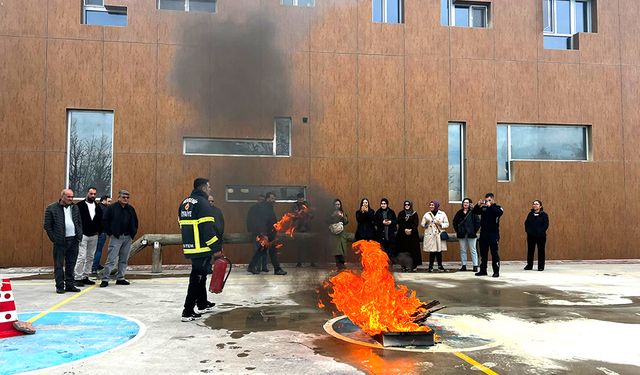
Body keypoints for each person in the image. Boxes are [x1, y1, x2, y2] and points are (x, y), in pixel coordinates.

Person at [178, 178, 222, 322]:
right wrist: (216, 248)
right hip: (201, 248)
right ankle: (188, 311)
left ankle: (202, 303)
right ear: (203, 188)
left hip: (190, 246)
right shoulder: (203, 204)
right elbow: (207, 229)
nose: (210, 189)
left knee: (201, 276)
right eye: (209, 187)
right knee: (196, 279)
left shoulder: (185, 202)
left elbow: (181, 224)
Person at [43, 189, 82, 294]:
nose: (71, 199)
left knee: (71, 264)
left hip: (74, 240)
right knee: (59, 265)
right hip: (60, 241)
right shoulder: (51, 208)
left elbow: (79, 222)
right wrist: (54, 238)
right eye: (69, 197)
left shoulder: (75, 208)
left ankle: (70, 285)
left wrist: (79, 234)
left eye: (72, 197)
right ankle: (60, 286)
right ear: (62, 197)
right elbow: (47, 225)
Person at [100, 190, 138, 287]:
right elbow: (105, 221)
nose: (125, 199)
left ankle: (120, 277)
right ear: (119, 197)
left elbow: (135, 221)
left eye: (127, 198)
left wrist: (133, 233)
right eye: (123, 197)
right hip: (116, 237)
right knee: (111, 259)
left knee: (124, 259)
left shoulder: (130, 209)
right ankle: (105, 279)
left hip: (128, 237)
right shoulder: (112, 208)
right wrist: (110, 233)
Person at [246, 192, 287, 276]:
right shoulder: (263, 207)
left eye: (274, 198)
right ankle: (276, 269)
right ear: (267, 198)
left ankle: (276, 269)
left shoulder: (268, 207)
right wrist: (263, 234)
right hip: (265, 234)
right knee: (266, 251)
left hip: (269, 233)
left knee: (266, 251)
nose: (273, 200)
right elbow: (261, 222)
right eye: (272, 198)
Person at [74, 187, 103, 286]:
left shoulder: (97, 207)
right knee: (81, 257)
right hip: (83, 235)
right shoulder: (79, 206)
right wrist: (78, 233)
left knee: (90, 257)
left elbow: (100, 220)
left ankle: (86, 276)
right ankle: (77, 277)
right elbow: (75, 220)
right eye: (91, 194)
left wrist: (100, 230)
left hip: (94, 235)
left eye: (95, 194)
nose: (93, 196)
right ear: (87, 193)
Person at [473, 193, 504, 278]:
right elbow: (475, 211)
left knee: (494, 253)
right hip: (484, 234)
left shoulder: (497, 208)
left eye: (489, 200)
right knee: (483, 253)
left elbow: (499, 213)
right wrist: (478, 205)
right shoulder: (484, 208)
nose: (487, 202)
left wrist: (491, 206)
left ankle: (496, 271)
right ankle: (483, 270)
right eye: (486, 200)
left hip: (493, 234)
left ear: (493, 200)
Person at [452, 198, 481, 272]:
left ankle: (475, 265)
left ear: (470, 204)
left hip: (471, 234)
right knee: (463, 250)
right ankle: (463, 265)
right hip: (462, 234)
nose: (465, 204)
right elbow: (455, 222)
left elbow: (477, 222)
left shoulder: (473, 212)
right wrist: (458, 231)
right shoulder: (459, 212)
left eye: (467, 203)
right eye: (464, 202)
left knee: (473, 250)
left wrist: (474, 231)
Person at [421, 200, 449, 272]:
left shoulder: (442, 214)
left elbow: (447, 224)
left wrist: (440, 223)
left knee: (439, 251)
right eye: (430, 205)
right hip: (430, 234)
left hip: (438, 234)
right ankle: (430, 266)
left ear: (436, 206)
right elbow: (422, 224)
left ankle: (440, 266)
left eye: (432, 205)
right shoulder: (427, 214)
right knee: (432, 251)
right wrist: (426, 223)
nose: (431, 206)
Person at [246, 194, 269, 273]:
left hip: (263, 232)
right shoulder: (254, 209)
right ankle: (259, 267)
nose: (261, 202)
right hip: (256, 232)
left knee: (264, 250)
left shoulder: (264, 209)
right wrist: (251, 230)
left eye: (262, 200)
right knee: (258, 250)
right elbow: (249, 220)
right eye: (260, 200)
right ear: (257, 200)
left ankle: (264, 267)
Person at [291, 193, 315, 267]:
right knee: (299, 246)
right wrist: (299, 213)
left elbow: (312, 215)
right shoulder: (295, 205)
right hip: (298, 228)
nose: (301, 199)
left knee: (310, 246)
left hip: (307, 227)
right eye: (299, 198)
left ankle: (312, 262)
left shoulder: (307, 205)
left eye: (302, 198)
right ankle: (299, 262)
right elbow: (293, 216)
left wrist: (307, 213)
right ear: (297, 199)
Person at [524, 200, 549, 271]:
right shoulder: (530, 214)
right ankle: (529, 265)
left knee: (541, 251)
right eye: (534, 204)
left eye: (537, 204)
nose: (535, 205)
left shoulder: (544, 215)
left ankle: (541, 266)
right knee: (530, 251)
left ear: (540, 206)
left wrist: (540, 232)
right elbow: (526, 223)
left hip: (541, 236)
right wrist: (528, 231)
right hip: (531, 236)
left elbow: (546, 225)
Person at [396, 200, 421, 272]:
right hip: (403, 235)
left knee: (413, 250)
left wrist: (410, 230)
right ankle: (404, 266)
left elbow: (415, 223)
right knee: (404, 250)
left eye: (408, 204)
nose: (407, 206)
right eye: (405, 204)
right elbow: (400, 222)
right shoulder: (401, 213)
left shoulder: (414, 213)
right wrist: (405, 229)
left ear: (410, 205)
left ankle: (413, 266)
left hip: (412, 236)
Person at [92, 195, 111, 274]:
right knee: (98, 250)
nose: (110, 203)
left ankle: (96, 265)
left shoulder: (96, 207)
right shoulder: (105, 209)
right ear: (104, 200)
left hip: (94, 232)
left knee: (94, 250)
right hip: (102, 232)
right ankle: (94, 268)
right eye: (109, 201)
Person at [328, 199, 349, 269]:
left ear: (340, 205)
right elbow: (327, 221)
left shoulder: (343, 212)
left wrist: (342, 216)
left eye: (338, 204)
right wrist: (332, 216)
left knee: (341, 249)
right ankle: (338, 264)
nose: (337, 206)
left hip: (341, 233)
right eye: (336, 204)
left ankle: (342, 263)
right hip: (334, 233)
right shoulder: (330, 212)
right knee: (336, 249)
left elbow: (346, 222)